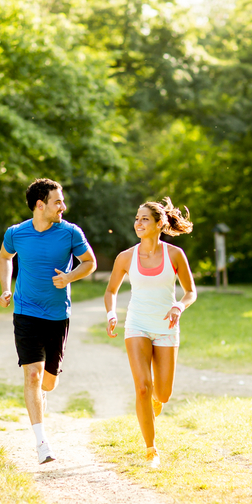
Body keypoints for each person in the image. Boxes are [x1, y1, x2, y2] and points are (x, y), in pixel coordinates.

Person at [0, 178, 97, 464]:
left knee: (48, 383)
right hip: (25, 312)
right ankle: (42, 443)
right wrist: (6, 287)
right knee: (32, 375)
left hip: (57, 315)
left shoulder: (69, 233)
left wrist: (69, 277)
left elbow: (90, 263)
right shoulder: (16, 233)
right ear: (41, 205)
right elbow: (4, 258)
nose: (63, 206)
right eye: (58, 201)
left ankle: (41, 400)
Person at [104, 198, 196, 468]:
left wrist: (179, 306)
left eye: (144, 218)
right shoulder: (126, 257)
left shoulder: (175, 255)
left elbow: (191, 292)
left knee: (163, 394)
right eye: (136, 218)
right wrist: (112, 314)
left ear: (159, 224)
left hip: (166, 327)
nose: (138, 223)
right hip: (137, 325)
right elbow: (111, 291)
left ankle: (157, 401)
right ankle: (151, 449)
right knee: (143, 387)